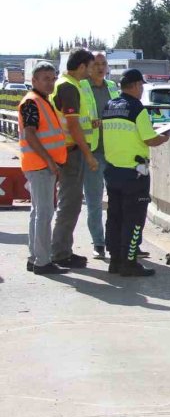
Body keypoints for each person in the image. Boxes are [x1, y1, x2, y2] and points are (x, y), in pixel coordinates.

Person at [101, 69, 170, 276]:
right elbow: (150, 139)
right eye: (141, 86)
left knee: (115, 217)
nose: (141, 90)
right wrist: (165, 137)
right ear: (136, 85)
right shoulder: (136, 108)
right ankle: (129, 262)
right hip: (135, 173)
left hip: (112, 171)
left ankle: (115, 260)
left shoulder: (109, 106)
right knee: (134, 219)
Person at [49, 48, 99, 269]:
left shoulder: (69, 84)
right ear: (81, 66)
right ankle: (60, 253)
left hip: (68, 151)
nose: (92, 71)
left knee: (71, 203)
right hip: (71, 152)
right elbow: (73, 125)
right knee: (69, 204)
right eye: (90, 66)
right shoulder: (68, 87)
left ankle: (63, 250)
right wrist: (88, 155)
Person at [19, 62, 69, 275]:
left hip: (39, 164)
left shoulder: (40, 101)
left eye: (52, 78)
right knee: (44, 213)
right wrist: (49, 161)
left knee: (38, 212)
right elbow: (30, 134)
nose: (51, 82)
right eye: (45, 79)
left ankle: (35, 258)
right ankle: (42, 261)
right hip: (40, 165)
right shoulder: (32, 102)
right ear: (34, 81)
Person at [81, 51, 120, 259]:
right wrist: (91, 123)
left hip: (114, 151)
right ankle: (98, 242)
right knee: (94, 201)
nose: (100, 67)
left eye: (103, 64)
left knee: (117, 199)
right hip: (93, 151)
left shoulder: (112, 87)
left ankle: (117, 241)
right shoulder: (82, 87)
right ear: (88, 67)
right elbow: (76, 119)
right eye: (96, 64)